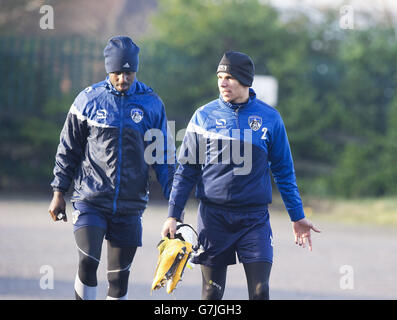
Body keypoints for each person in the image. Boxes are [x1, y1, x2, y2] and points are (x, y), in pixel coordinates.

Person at [161, 51, 320, 300]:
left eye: (230, 77)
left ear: (246, 81)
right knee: (212, 292)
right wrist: (173, 214)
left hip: (253, 219)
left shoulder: (270, 119)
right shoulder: (203, 116)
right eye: (220, 77)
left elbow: (284, 172)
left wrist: (297, 216)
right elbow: (186, 171)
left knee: (260, 291)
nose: (223, 83)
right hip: (213, 219)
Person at [48, 36, 176, 300]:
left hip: (130, 206)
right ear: (108, 69)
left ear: (135, 71)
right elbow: (68, 148)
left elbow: (163, 157)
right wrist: (59, 192)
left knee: (118, 278)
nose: (122, 78)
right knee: (88, 262)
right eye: (117, 72)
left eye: (128, 72)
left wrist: (176, 207)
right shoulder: (87, 100)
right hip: (91, 201)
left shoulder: (152, 104)